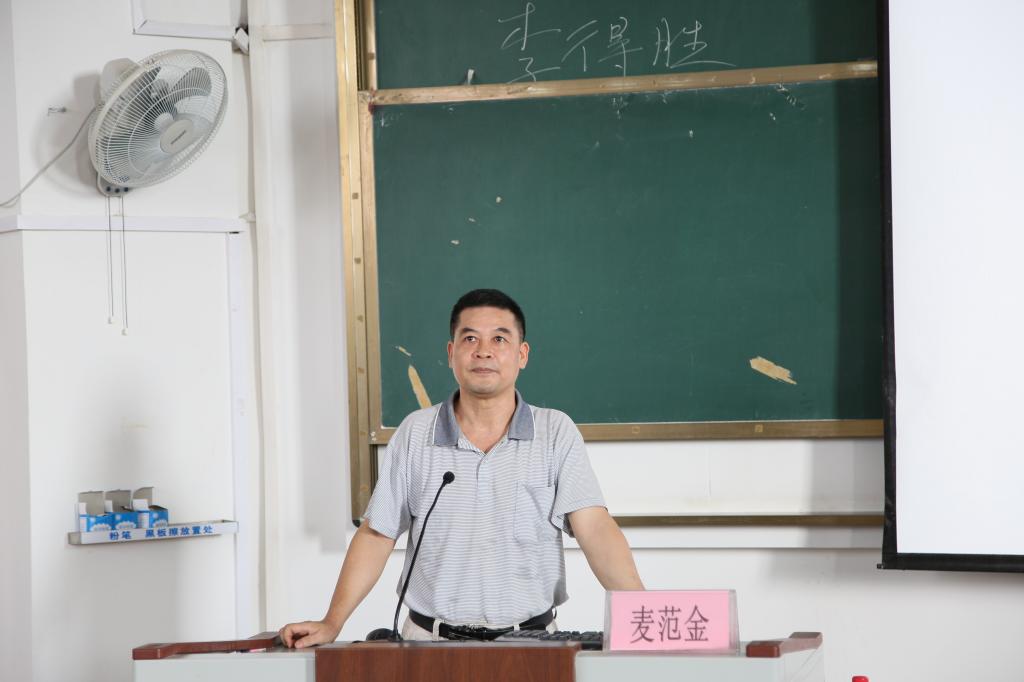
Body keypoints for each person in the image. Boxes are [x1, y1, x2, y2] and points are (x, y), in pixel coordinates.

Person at [280, 289, 643, 647]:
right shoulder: (415, 432)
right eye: (470, 338)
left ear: (522, 355)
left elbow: (595, 528)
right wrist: (332, 621)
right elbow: (377, 535)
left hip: (531, 645)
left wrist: (645, 613)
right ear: (451, 353)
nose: (483, 351)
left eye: (499, 339)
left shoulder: (555, 432)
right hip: (427, 644)